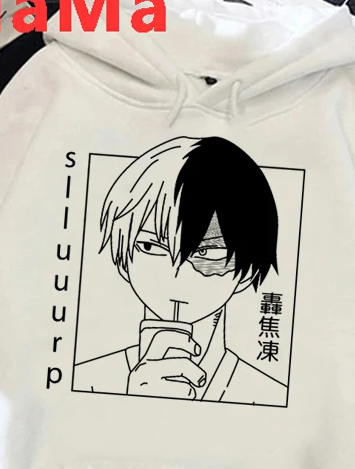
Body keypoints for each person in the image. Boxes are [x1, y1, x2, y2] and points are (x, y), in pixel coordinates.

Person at [73, 136, 288, 407]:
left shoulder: (266, 396)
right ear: (123, 255)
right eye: (150, 246)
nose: (175, 275)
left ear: (246, 272)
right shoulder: (88, 381)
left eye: (206, 253)